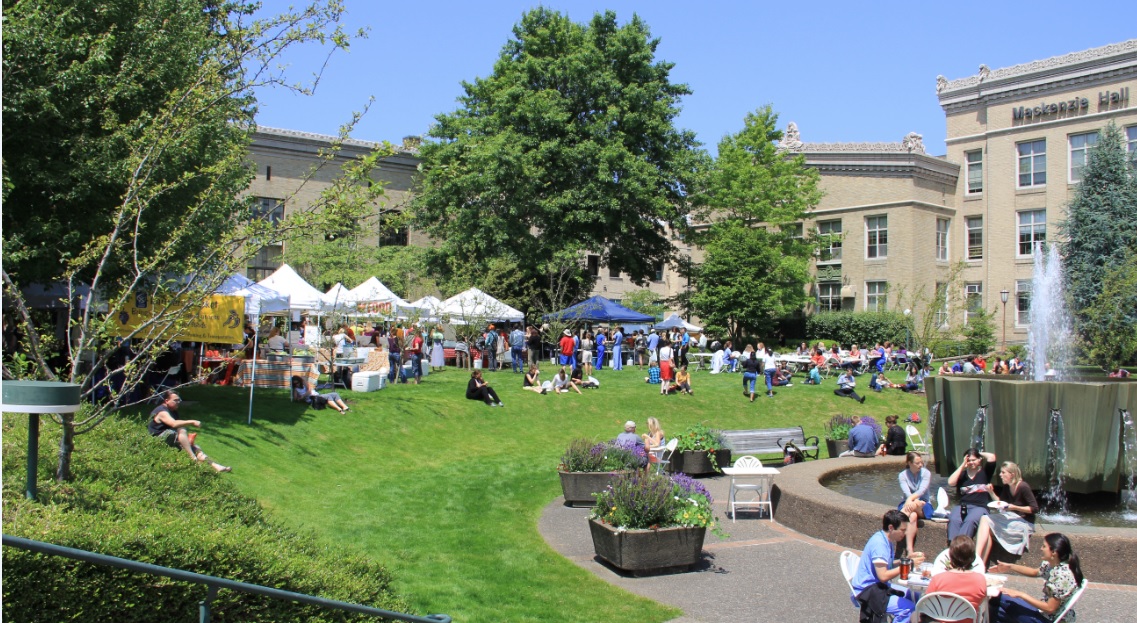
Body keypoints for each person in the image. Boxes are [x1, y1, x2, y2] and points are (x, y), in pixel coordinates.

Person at [990, 533, 1084, 623]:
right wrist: (1010, 566)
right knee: (997, 610)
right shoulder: (1055, 565)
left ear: (1053, 552)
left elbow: (1050, 608)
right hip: (1045, 614)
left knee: (999, 599)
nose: (1041, 548)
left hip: (1047, 619)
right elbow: (1035, 572)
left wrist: (1020, 594)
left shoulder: (1062, 577)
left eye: (1044, 546)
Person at [850, 510, 921, 623]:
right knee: (908, 608)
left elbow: (888, 564)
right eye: (902, 530)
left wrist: (906, 561)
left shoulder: (887, 540)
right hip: (867, 591)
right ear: (891, 527)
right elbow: (883, 576)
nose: (905, 533)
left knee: (919, 598)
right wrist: (907, 566)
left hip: (879, 587)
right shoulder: (880, 545)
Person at [148, 391, 230, 472]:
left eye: (178, 400)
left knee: (196, 448)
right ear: (166, 401)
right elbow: (173, 424)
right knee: (182, 429)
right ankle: (193, 458)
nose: (178, 402)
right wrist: (192, 422)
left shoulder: (173, 411)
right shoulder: (162, 411)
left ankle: (215, 466)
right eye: (175, 400)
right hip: (158, 439)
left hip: (170, 436)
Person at [975, 461, 1039, 565]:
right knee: (988, 530)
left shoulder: (1023, 487)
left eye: (1003, 472)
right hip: (1011, 518)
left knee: (985, 519)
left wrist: (1015, 507)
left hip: (1024, 522)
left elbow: (1034, 508)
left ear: (1012, 474)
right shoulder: (1007, 486)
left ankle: (976, 559)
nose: (1000, 475)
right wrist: (991, 492)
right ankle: (980, 565)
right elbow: (1001, 503)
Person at [925, 536, 988, 623]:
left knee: (914, 615)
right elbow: (980, 602)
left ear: (951, 556)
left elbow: (927, 603)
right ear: (973, 557)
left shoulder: (938, 578)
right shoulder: (980, 580)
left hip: (940, 620)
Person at [948, 448, 998, 541]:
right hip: (963, 506)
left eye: (974, 460)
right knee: (954, 519)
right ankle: (952, 546)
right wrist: (962, 466)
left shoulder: (985, 472)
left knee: (970, 520)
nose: (971, 462)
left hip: (980, 507)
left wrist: (978, 453)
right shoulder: (962, 475)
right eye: (969, 460)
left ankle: (961, 546)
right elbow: (951, 482)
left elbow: (992, 457)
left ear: (979, 460)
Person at [897, 451, 933, 554]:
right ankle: (909, 549)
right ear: (909, 463)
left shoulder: (926, 473)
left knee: (915, 506)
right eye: (917, 463)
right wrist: (913, 501)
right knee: (912, 516)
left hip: (924, 503)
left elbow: (921, 491)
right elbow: (906, 492)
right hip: (909, 503)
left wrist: (911, 500)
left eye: (921, 462)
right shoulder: (902, 475)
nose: (920, 465)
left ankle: (897, 523)